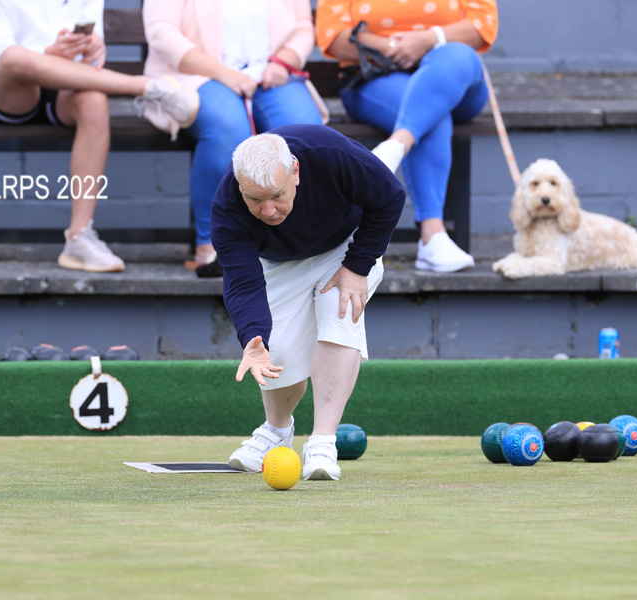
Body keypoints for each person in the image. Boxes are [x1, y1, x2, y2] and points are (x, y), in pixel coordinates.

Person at [213, 125, 404, 480]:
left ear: (295, 171)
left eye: (275, 195)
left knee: (339, 311)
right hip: (281, 261)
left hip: (346, 247)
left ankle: (323, 441)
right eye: (255, 200)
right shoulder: (227, 208)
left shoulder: (331, 154)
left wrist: (357, 266)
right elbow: (241, 281)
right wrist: (252, 336)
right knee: (274, 346)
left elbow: (390, 196)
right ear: (240, 186)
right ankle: (276, 431)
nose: (268, 210)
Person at [0, 0, 199, 273]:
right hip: (9, 92)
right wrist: (47, 52)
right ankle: (145, 87)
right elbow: (0, 55)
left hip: (65, 85)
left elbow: (90, 57)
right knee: (15, 57)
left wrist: (93, 47)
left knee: (94, 102)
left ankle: (78, 237)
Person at [142, 0, 326, 275]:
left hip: (271, 73)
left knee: (305, 133)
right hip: (197, 75)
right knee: (228, 130)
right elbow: (161, 32)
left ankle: (296, 240)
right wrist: (224, 74)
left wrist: (282, 61)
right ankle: (214, 243)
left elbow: (302, 28)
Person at [315, 0, 498, 272]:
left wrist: (428, 39)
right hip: (375, 76)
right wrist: (394, 47)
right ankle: (432, 235)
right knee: (430, 113)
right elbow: (332, 36)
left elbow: (482, 26)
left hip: (453, 76)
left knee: (459, 56)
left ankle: (396, 145)